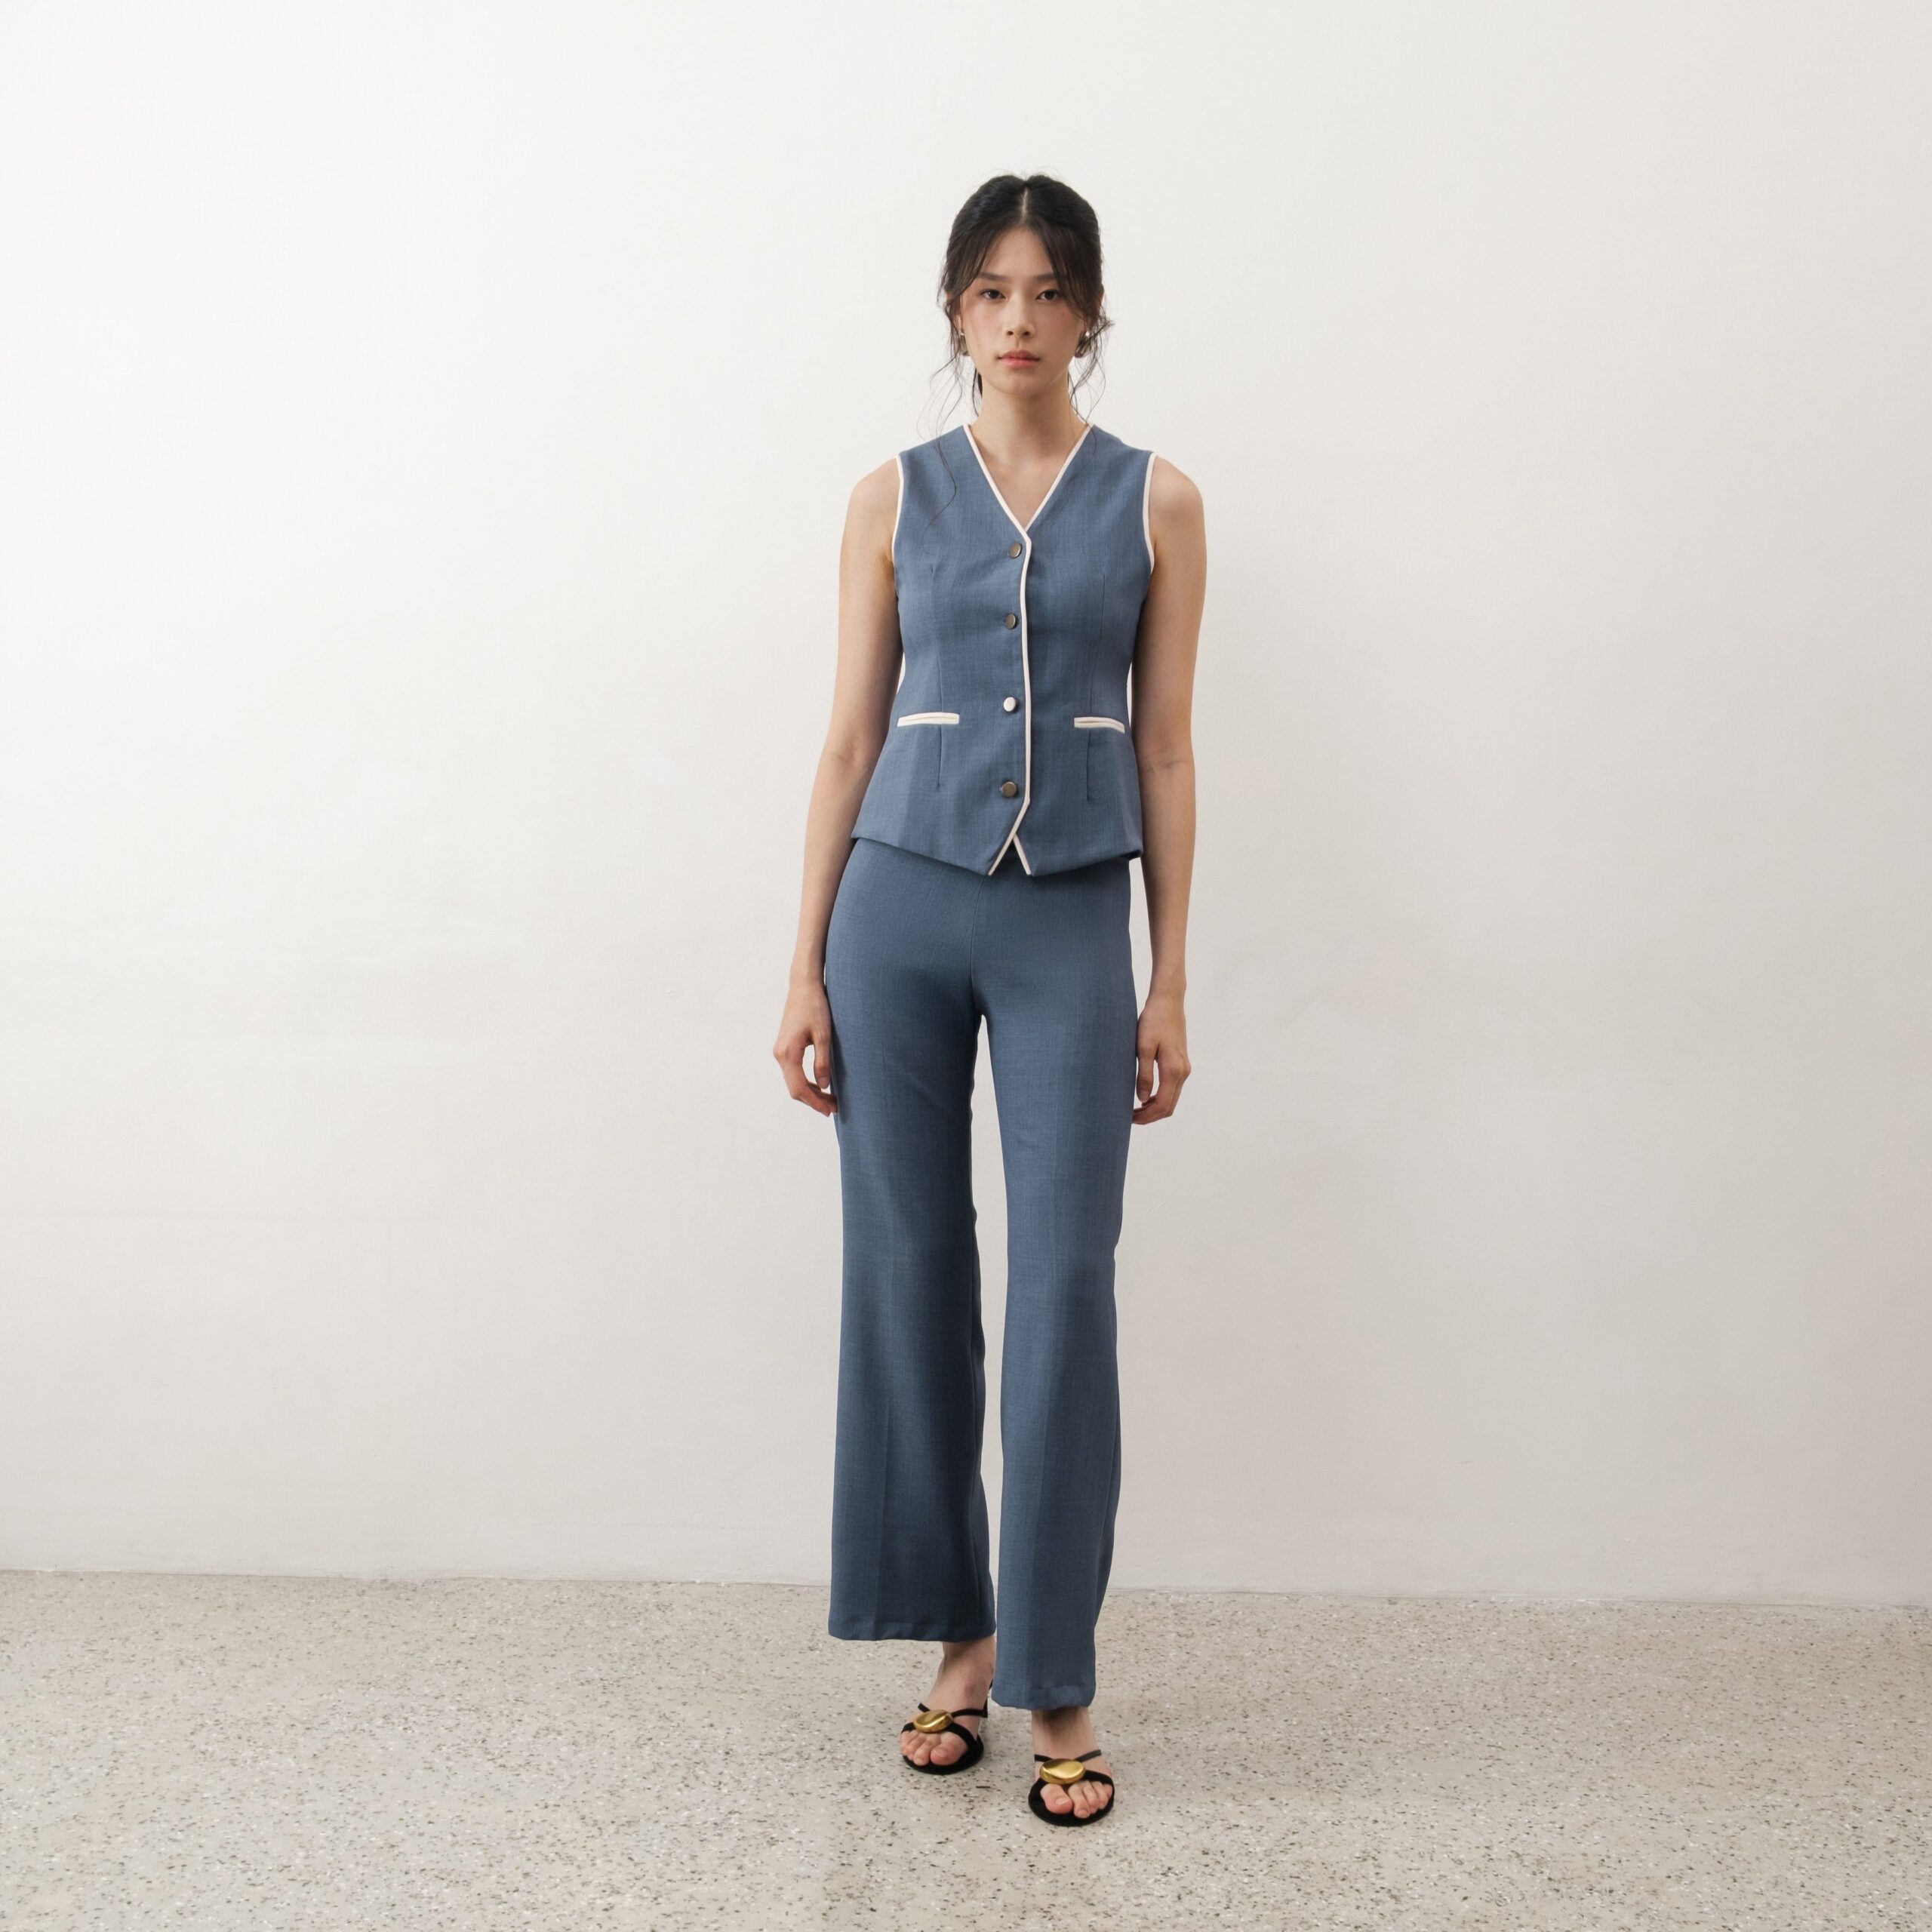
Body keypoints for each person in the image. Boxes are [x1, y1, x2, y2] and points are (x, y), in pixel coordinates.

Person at [774, 172, 1204, 1826]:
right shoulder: (888, 496)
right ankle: (959, 1638)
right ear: (955, 309)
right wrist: (801, 962)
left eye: (1047, 290)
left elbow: (1165, 748)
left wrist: (1170, 977)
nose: (1018, 320)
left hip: (1069, 915)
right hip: (893, 908)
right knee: (905, 1265)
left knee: (1066, 1280)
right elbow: (845, 739)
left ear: (1089, 310)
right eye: (988, 291)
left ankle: (1058, 1674)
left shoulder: (1158, 500)